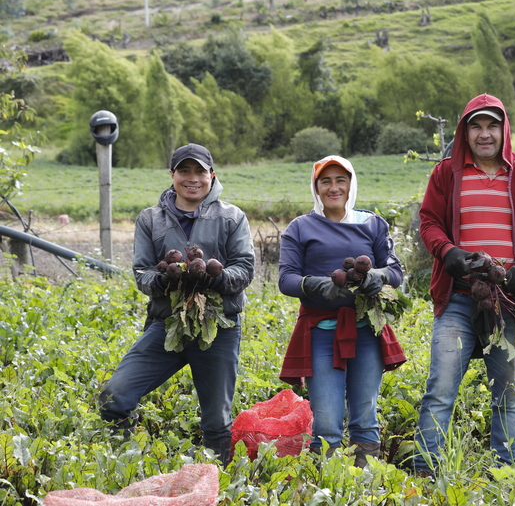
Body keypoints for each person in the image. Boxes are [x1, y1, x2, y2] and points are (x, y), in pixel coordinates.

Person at [413, 93, 515, 475]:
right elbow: (429, 222)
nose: (484, 134)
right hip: (458, 297)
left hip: (506, 301)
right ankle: (424, 473)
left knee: (508, 392)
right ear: (465, 132)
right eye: (476, 126)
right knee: (440, 389)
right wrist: (447, 251)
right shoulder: (447, 173)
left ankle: (504, 473)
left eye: (492, 125)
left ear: (504, 130)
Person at [99, 143, 255, 464]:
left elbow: (244, 269)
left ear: (212, 175)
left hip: (218, 327)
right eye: (184, 171)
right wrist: (165, 280)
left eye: (200, 171)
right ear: (172, 175)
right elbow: (142, 273)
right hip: (167, 324)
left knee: (216, 421)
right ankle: (127, 465)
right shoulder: (151, 219)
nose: (192, 178)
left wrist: (212, 277)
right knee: (114, 396)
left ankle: (217, 477)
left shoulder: (231, 217)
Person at [278, 155, 406, 467]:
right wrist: (318, 285)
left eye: (340, 180)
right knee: (326, 421)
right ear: (316, 187)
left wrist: (377, 276)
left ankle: (364, 482)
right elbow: (286, 279)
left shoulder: (372, 224)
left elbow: (395, 271)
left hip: (366, 331)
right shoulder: (300, 227)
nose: (333, 187)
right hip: (320, 333)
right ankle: (328, 483)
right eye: (326, 181)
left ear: (351, 184)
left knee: (365, 415)